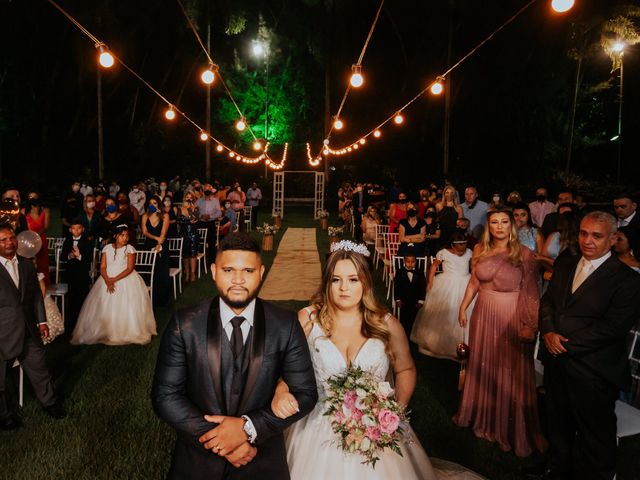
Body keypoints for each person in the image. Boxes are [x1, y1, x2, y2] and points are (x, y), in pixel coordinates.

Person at [276, 240, 483, 480]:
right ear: (327, 282)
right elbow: (285, 367)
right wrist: (282, 389)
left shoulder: (387, 324)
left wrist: (393, 414)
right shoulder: (308, 318)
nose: (344, 288)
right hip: (316, 426)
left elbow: (405, 368)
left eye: (353, 279)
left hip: (375, 427)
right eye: (336, 279)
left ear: (366, 281)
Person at [151, 233, 318, 480]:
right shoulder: (184, 324)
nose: (238, 280)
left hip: (261, 462)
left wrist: (249, 429)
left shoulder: (286, 325)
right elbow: (165, 395)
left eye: (248, 271)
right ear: (214, 270)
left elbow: (305, 393)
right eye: (229, 270)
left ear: (261, 272)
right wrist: (220, 440)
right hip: (197, 464)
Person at [539, 212, 640, 479]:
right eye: (583, 233)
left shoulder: (627, 280)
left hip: (594, 369)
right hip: (556, 361)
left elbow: (612, 327)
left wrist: (564, 343)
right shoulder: (566, 262)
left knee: (595, 433)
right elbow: (548, 301)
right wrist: (548, 332)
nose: (588, 240)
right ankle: (557, 469)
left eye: (596, 235)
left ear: (613, 239)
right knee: (557, 421)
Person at [453, 207, 545, 457]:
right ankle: (481, 415)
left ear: (511, 226)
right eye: (494, 222)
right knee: (483, 364)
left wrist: (529, 324)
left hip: (510, 316)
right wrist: (463, 306)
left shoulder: (524, 254)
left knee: (507, 369)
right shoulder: (481, 250)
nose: (500, 226)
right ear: (489, 225)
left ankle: (506, 425)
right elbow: (474, 281)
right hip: (483, 314)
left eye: (505, 221)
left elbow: (531, 293)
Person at [0, 223, 66, 430]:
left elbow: (36, 295)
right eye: (3, 240)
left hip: (29, 329)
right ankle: (4, 416)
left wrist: (42, 321)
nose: (10, 242)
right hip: (3, 334)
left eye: (12, 237)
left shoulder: (26, 263)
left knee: (40, 368)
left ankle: (50, 403)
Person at [71, 225, 156, 345]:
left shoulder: (130, 248)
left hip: (125, 277)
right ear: (115, 236)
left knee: (125, 303)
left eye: (127, 236)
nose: (125, 238)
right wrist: (107, 280)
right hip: (107, 277)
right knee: (103, 301)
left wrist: (114, 280)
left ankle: (124, 330)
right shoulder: (107, 248)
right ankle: (104, 328)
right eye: (122, 235)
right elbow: (103, 266)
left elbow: (130, 268)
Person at [411, 231, 473, 361]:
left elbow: (472, 266)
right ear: (453, 244)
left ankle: (463, 341)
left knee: (465, 310)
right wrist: (430, 281)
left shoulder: (469, 252)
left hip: (465, 281)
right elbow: (433, 267)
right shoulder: (444, 253)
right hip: (447, 283)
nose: (462, 247)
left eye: (464, 244)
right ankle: (442, 341)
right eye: (459, 245)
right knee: (446, 311)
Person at [60, 221, 93, 332]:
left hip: (82, 276)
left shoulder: (87, 241)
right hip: (70, 276)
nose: (76, 230)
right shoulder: (67, 241)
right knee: (72, 300)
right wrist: (70, 255)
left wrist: (79, 256)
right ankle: (72, 325)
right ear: (70, 230)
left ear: (82, 229)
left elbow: (89, 258)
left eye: (79, 228)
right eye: (73, 228)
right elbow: (63, 256)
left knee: (83, 299)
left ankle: (84, 324)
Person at [142, 196, 171, 305]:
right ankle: (150, 298)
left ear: (158, 204)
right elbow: (144, 232)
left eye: (154, 203)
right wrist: (155, 238)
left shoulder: (165, 216)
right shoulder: (145, 216)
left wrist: (159, 244)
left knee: (161, 271)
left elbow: (163, 233)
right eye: (150, 203)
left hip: (162, 244)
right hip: (149, 244)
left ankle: (163, 299)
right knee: (150, 271)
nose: (152, 205)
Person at [393, 253, 426, 335]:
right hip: (404, 300)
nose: (410, 264)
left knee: (416, 318)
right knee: (404, 319)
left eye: (413, 262)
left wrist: (421, 300)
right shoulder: (399, 272)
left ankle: (415, 333)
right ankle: (404, 333)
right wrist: (398, 299)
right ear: (404, 261)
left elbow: (422, 287)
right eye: (408, 261)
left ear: (416, 262)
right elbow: (396, 286)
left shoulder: (420, 272)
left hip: (416, 300)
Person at [24, 192, 50, 287]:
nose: (32, 199)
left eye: (34, 197)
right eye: (30, 197)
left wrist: (36, 235)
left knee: (42, 263)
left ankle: (44, 286)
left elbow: (46, 227)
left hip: (41, 239)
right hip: (28, 240)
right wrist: (30, 237)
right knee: (30, 263)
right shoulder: (23, 211)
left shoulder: (45, 210)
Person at [177, 192, 200, 283]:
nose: (189, 199)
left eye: (190, 197)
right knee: (185, 255)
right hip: (183, 233)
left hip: (193, 233)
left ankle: (193, 273)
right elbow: (178, 220)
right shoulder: (180, 209)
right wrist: (188, 220)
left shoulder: (195, 208)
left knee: (193, 254)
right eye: (187, 197)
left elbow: (195, 219)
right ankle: (186, 273)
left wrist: (190, 210)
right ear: (184, 198)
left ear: (193, 199)